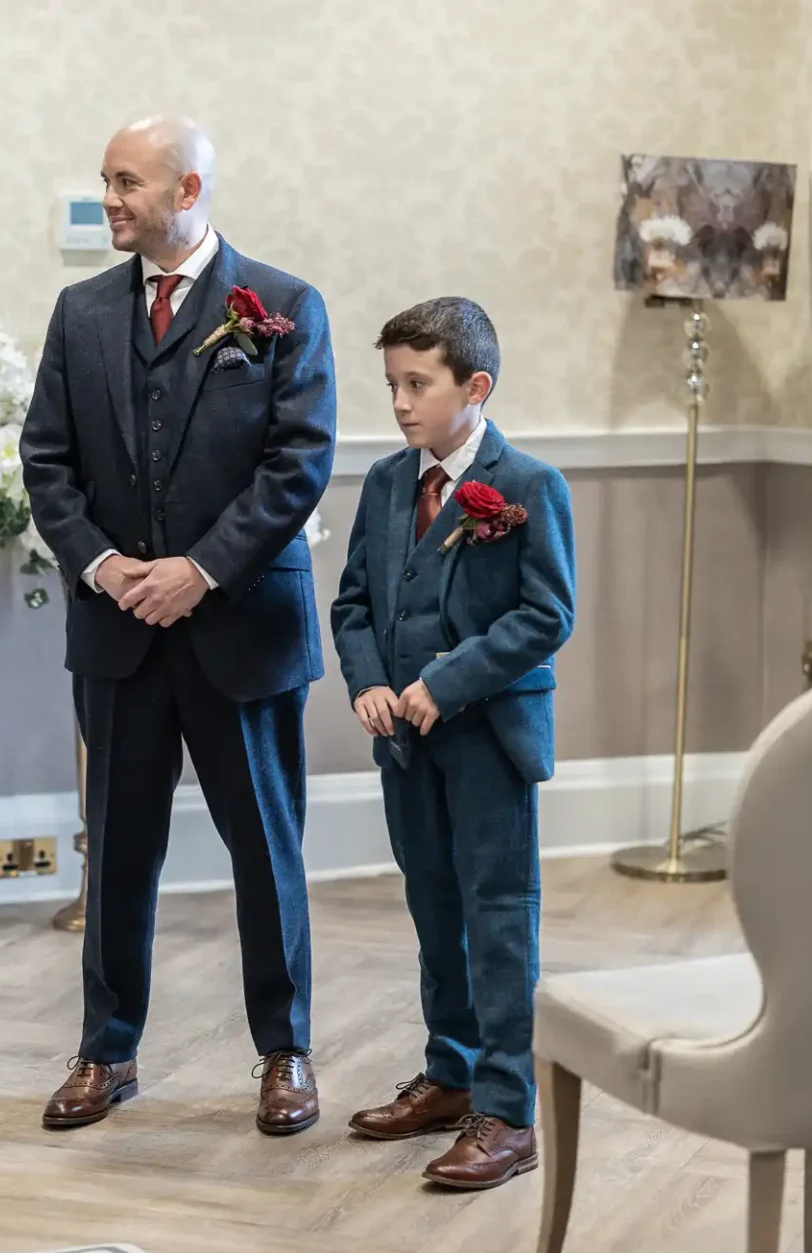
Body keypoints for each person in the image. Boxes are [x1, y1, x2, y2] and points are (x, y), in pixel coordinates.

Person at [19, 115, 337, 1134]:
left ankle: (285, 1052)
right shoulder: (78, 315)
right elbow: (47, 462)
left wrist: (199, 570)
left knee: (265, 847)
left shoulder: (284, 307)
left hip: (239, 625)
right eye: (107, 180)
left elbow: (299, 461)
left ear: (188, 191)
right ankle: (106, 1051)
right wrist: (109, 566)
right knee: (116, 849)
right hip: (118, 632)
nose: (110, 199)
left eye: (127, 183)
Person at [330, 298, 576, 1190]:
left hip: (488, 741)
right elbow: (354, 601)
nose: (399, 402)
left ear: (476, 387)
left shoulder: (528, 486)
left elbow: (547, 614)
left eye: (417, 383)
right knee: (435, 912)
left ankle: (509, 1114)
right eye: (392, 383)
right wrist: (369, 683)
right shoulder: (390, 483)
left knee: (497, 920)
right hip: (405, 743)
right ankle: (451, 1073)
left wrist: (447, 681)